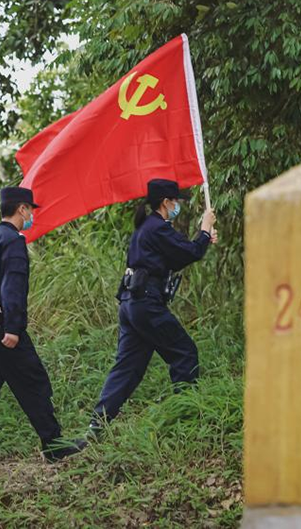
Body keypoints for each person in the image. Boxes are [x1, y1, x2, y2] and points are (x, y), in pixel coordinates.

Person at [0, 186, 85, 474]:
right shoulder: (13, 241)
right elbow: (13, 286)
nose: (31, 215)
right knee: (34, 383)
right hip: (3, 331)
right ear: (22, 209)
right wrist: (12, 328)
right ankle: (54, 445)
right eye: (30, 209)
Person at [89, 179, 217, 437]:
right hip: (145, 303)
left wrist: (203, 239)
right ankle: (187, 421)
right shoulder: (157, 227)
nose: (178, 205)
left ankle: (97, 425)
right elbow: (189, 252)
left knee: (127, 367)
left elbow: (175, 258)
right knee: (184, 353)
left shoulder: (146, 228)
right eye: (176, 201)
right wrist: (204, 229)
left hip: (131, 304)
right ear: (165, 202)